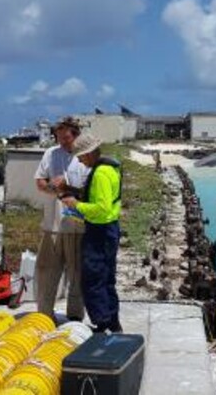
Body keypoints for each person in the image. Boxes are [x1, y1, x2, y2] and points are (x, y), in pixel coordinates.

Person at [61, 132, 123, 333]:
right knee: (106, 278)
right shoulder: (108, 168)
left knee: (93, 278)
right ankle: (112, 322)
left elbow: (102, 208)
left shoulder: (101, 174)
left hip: (100, 231)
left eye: (80, 156)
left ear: (89, 154)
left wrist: (76, 205)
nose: (79, 160)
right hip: (108, 230)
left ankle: (103, 323)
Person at [34, 117, 89, 322]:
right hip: (53, 224)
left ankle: (75, 317)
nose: (63, 142)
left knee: (76, 274)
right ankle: (44, 315)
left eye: (66, 138)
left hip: (77, 226)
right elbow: (39, 181)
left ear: (76, 135)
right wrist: (51, 187)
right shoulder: (51, 153)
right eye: (59, 138)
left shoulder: (85, 157)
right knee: (47, 271)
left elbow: (89, 191)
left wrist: (67, 187)